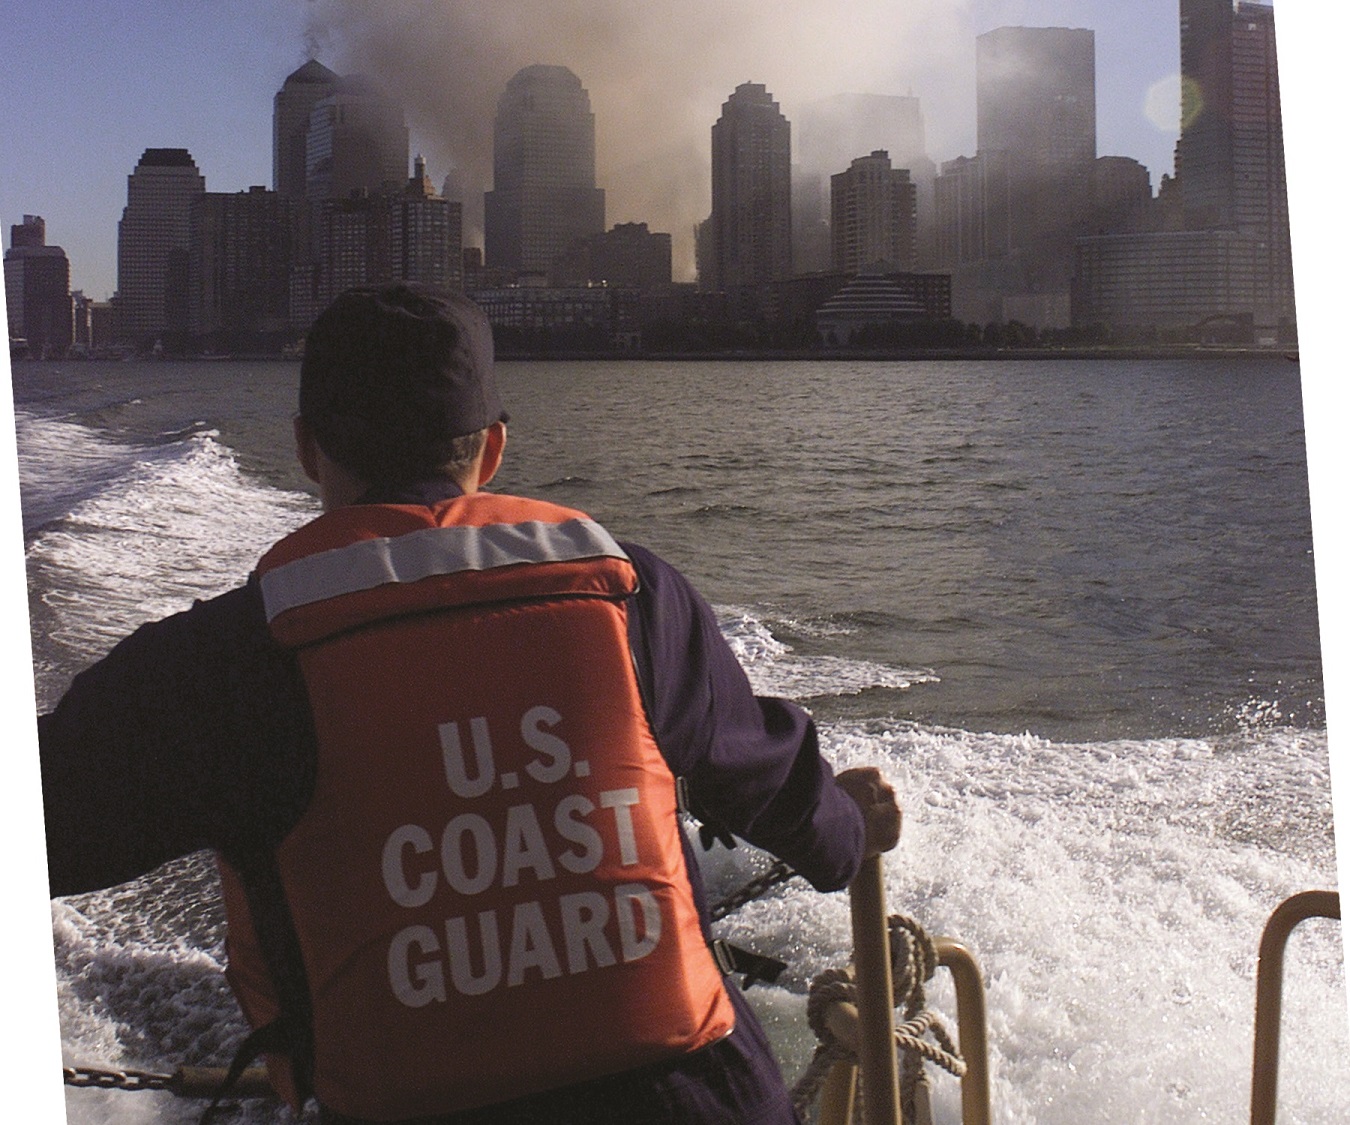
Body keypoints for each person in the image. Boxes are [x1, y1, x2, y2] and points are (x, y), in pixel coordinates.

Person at [39, 282, 902, 1124]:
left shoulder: (221, 665)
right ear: (491, 450)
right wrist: (852, 829)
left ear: (306, 449)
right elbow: (791, 800)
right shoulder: (635, 598)